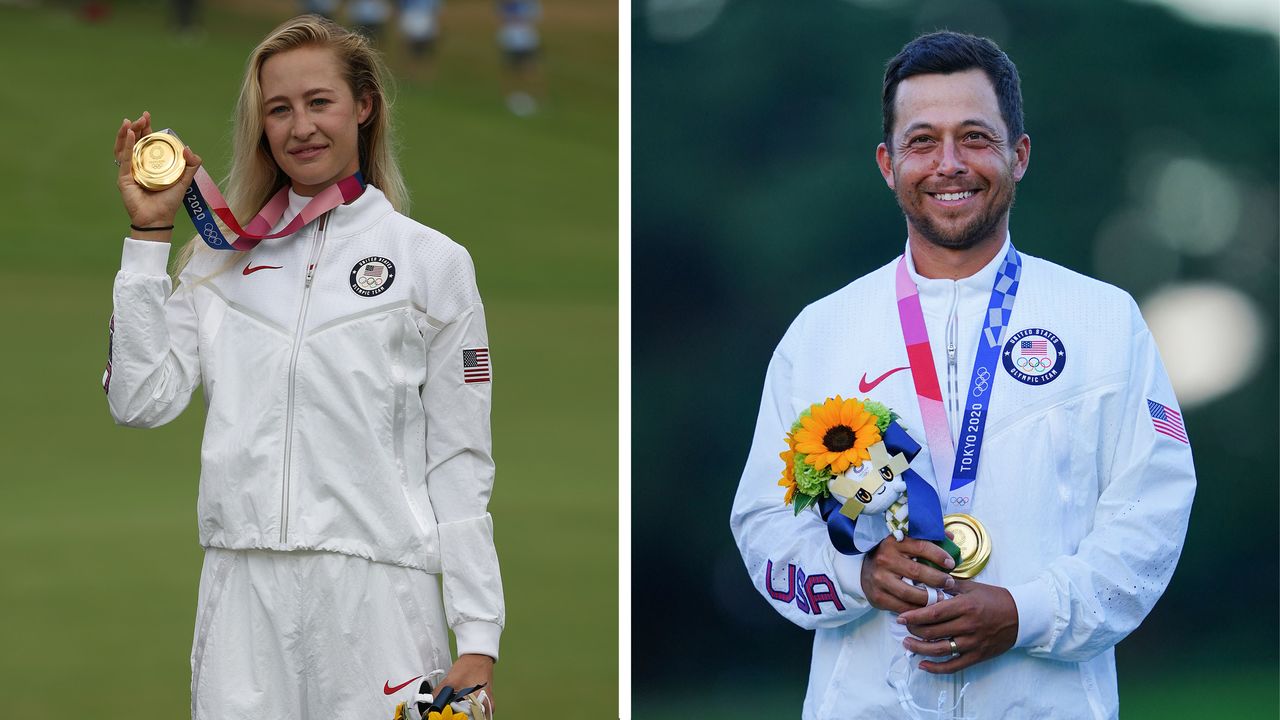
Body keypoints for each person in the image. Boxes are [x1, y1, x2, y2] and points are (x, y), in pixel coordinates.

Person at [729, 31, 1195, 719]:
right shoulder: (821, 333)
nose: (949, 163)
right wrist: (857, 576)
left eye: (975, 137)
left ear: (1019, 155)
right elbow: (765, 526)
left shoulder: (1103, 321)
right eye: (923, 141)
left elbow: (1151, 515)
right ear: (888, 164)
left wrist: (1026, 613)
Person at [105, 15, 502, 719]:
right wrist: (148, 237)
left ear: (364, 106)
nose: (300, 127)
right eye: (279, 109)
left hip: (380, 599)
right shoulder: (218, 259)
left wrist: (477, 634)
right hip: (241, 596)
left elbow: (460, 458)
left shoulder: (432, 262)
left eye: (319, 102)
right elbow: (139, 399)